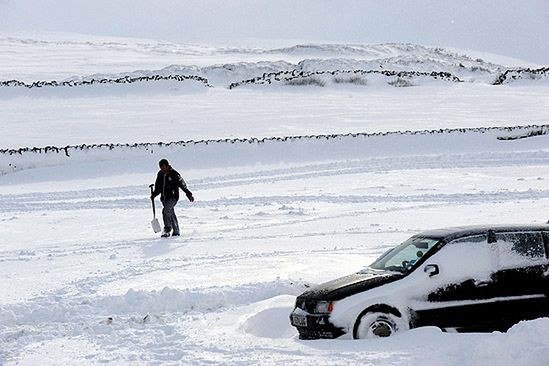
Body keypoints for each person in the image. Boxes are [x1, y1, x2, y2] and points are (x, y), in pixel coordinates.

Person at [151, 159, 194, 237]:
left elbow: (182, 184)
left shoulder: (174, 174)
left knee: (166, 210)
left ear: (167, 166)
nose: (162, 169)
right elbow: (158, 186)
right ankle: (176, 231)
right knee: (170, 213)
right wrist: (154, 194)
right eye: (161, 168)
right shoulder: (160, 174)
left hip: (173, 197)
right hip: (164, 198)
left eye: (164, 167)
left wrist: (188, 193)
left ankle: (167, 228)